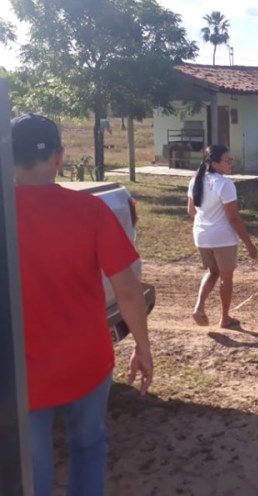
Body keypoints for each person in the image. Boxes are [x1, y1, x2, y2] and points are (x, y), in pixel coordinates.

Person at [11, 113, 153, 496]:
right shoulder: (91, 212)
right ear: (58, 157)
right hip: (86, 362)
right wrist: (142, 346)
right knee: (88, 446)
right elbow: (127, 288)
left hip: (22, 372)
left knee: (32, 465)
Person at [187, 145, 258, 328]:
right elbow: (233, 219)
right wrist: (249, 244)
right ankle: (225, 317)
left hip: (201, 236)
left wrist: (207, 221)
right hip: (222, 238)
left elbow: (191, 210)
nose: (231, 163)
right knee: (226, 278)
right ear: (215, 163)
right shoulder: (225, 185)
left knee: (212, 272)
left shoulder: (196, 180)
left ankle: (199, 307)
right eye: (227, 160)